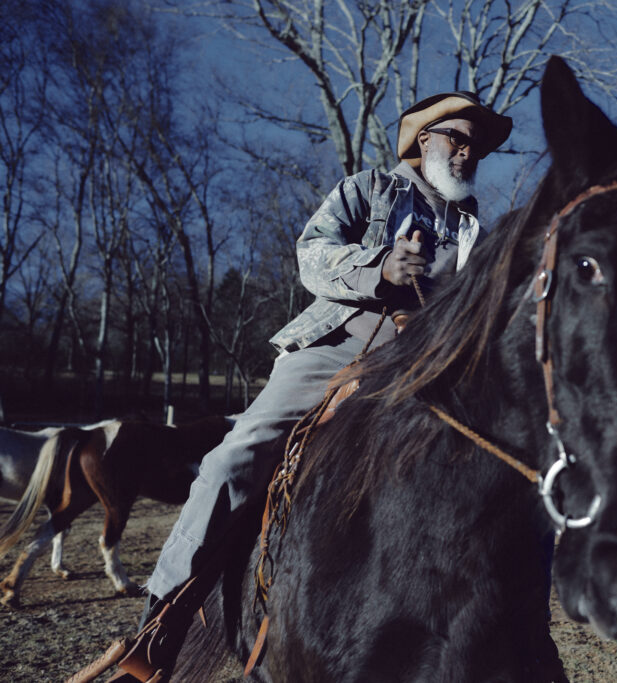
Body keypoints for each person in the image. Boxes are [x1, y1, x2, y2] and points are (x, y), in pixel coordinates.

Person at [100, 92, 512, 681]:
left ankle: (516, 638)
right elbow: (310, 254)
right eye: (459, 138)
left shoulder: (473, 229)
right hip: (338, 345)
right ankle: (160, 625)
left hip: (428, 365)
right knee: (232, 461)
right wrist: (381, 268)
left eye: (479, 146)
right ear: (426, 141)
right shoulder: (367, 188)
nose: (470, 153)